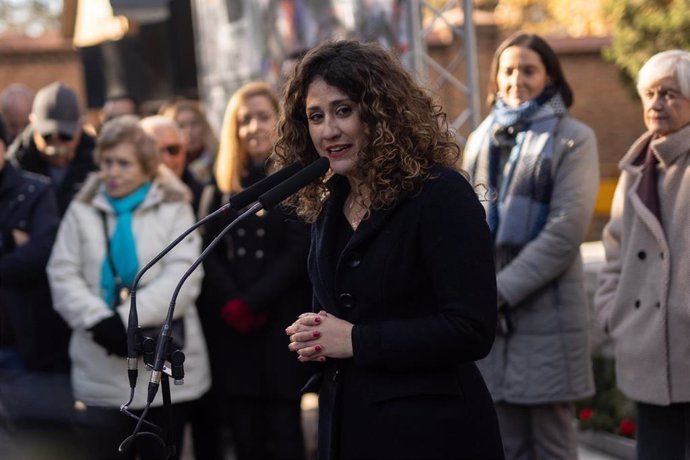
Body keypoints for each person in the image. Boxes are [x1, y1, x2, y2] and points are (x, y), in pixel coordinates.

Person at [280, 40, 503, 460]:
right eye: (316, 116)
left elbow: (471, 329)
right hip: (350, 430)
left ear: (381, 112)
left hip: (432, 434)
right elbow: (336, 319)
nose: (329, 130)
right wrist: (313, 338)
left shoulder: (439, 194)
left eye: (343, 110)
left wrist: (356, 340)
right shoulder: (329, 208)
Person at [461, 32, 598, 460]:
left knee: (552, 447)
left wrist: (497, 292)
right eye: (508, 70)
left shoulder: (574, 138)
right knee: (503, 447)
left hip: (547, 316)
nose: (517, 78)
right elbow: (464, 229)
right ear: (495, 78)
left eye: (529, 69)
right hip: (490, 327)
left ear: (550, 76)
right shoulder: (480, 138)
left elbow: (564, 233)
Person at [46, 115, 211, 460]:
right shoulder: (82, 209)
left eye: (123, 163)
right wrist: (97, 321)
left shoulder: (173, 205)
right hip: (100, 369)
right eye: (107, 161)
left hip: (160, 369)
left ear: (146, 166)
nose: (113, 171)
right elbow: (62, 272)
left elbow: (184, 276)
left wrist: (123, 321)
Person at [197, 81, 311, 460]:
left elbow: (298, 252)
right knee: (245, 435)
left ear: (278, 121)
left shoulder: (295, 179)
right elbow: (208, 252)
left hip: (280, 324)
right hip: (234, 331)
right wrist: (233, 302)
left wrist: (255, 300)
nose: (254, 127)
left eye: (263, 116)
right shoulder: (218, 187)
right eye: (245, 120)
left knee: (286, 433)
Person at [594, 49, 690, 459]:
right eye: (649, 93)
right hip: (648, 345)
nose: (656, 103)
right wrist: (612, 311)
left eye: (669, 93)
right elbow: (614, 249)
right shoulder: (635, 167)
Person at [6, 82, 98, 216]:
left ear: (80, 127)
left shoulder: (100, 163)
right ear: (33, 124)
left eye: (65, 136)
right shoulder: (13, 167)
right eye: (47, 136)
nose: (56, 144)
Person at [139, 115, 204, 212]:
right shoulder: (125, 199)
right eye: (157, 151)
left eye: (173, 149)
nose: (167, 159)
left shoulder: (203, 197)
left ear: (184, 149)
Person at [159, 98, 218, 184]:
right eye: (181, 125)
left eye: (194, 123)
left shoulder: (220, 158)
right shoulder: (166, 165)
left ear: (204, 126)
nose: (189, 131)